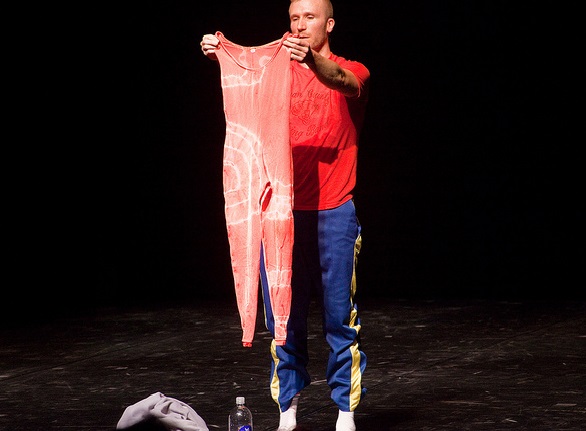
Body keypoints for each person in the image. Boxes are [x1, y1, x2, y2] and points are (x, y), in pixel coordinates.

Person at [201, 1, 369, 430]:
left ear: (329, 23)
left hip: (333, 212)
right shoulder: (277, 72)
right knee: (283, 320)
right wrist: (223, 55)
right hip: (281, 214)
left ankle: (345, 411)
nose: (300, 25)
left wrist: (311, 60)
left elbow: (343, 81)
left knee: (339, 317)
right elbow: (247, 76)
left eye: (310, 17)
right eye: (294, 18)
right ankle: (288, 409)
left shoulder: (352, 68)